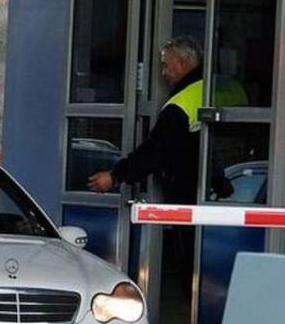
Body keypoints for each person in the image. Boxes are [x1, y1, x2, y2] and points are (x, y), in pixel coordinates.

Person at [87, 36, 205, 204]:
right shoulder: (210, 88)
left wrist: (115, 176)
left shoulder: (180, 104)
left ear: (183, 63)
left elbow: (155, 151)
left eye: (165, 65)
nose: (163, 73)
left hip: (191, 192)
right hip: (213, 187)